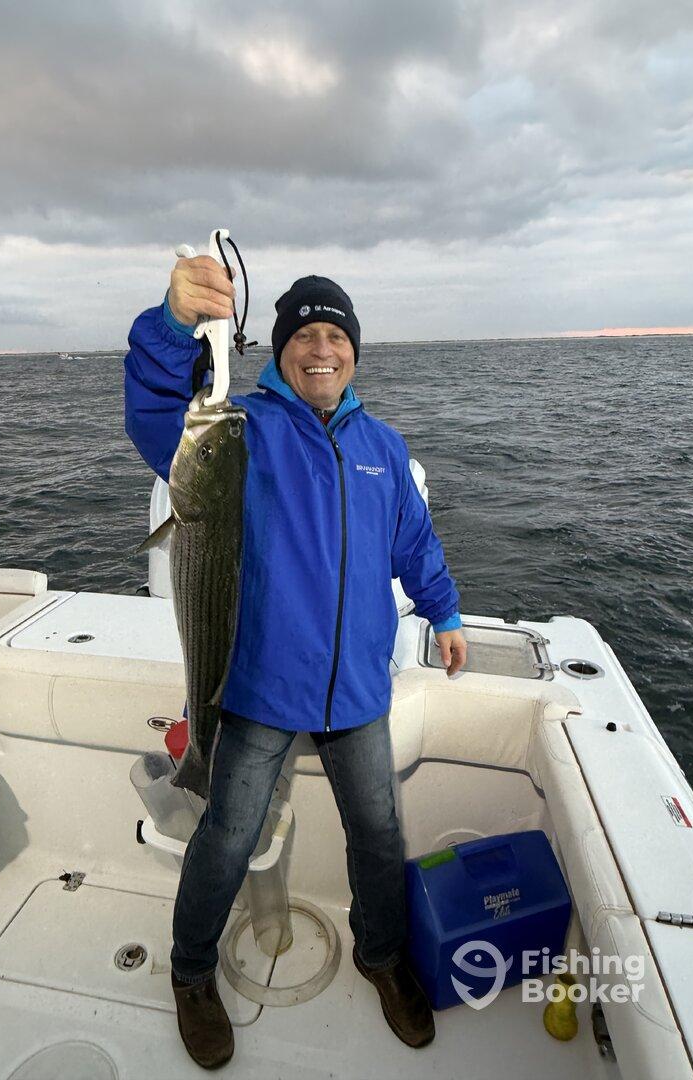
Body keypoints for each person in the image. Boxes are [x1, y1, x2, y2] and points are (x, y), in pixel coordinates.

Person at [124, 256, 467, 1069]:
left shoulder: (383, 445)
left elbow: (412, 542)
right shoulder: (239, 429)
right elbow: (154, 416)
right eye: (304, 335)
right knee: (228, 833)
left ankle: (380, 957)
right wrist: (173, 329)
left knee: (380, 835)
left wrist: (445, 609)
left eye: (335, 335)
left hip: (355, 689)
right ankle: (191, 973)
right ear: (277, 351)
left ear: (354, 352)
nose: (322, 348)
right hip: (257, 687)